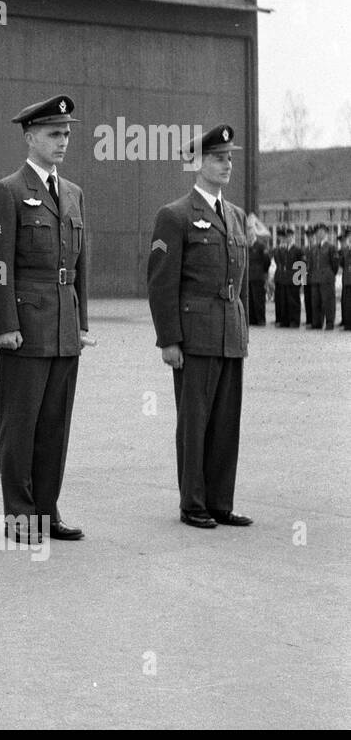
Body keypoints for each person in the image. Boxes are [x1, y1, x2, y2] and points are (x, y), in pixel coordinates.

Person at [0, 95, 89, 543]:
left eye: (66, 133)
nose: (62, 141)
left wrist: (82, 323)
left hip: (63, 325)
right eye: (52, 134)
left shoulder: (75, 194)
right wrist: (4, 324)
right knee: (20, 425)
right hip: (27, 323)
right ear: (29, 137)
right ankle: (20, 514)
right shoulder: (8, 191)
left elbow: (81, 265)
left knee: (54, 425)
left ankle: (47, 510)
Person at [147, 124, 252, 530]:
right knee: (195, 422)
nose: (227, 164)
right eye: (217, 157)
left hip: (229, 332)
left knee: (226, 422)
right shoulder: (175, 216)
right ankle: (193, 503)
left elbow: (239, 282)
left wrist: (241, 327)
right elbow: (161, 281)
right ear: (197, 162)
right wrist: (168, 339)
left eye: (229, 158)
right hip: (195, 334)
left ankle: (220, 502)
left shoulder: (237, 216)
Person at [307, 224, 338, 330]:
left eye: (321, 231)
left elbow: (335, 265)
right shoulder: (314, 248)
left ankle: (329, 323)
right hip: (315, 278)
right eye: (317, 232)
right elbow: (310, 264)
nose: (319, 234)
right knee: (315, 302)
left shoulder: (331, 247)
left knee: (328, 302)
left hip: (327, 279)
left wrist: (329, 274)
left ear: (326, 233)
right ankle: (317, 323)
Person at [246, 227, 271, 327]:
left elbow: (267, 261)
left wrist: (262, 271)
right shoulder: (246, 246)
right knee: (250, 300)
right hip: (249, 277)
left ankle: (261, 320)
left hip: (258, 277)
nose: (249, 236)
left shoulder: (261, 246)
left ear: (254, 234)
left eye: (251, 234)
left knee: (259, 300)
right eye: (248, 234)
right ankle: (252, 320)